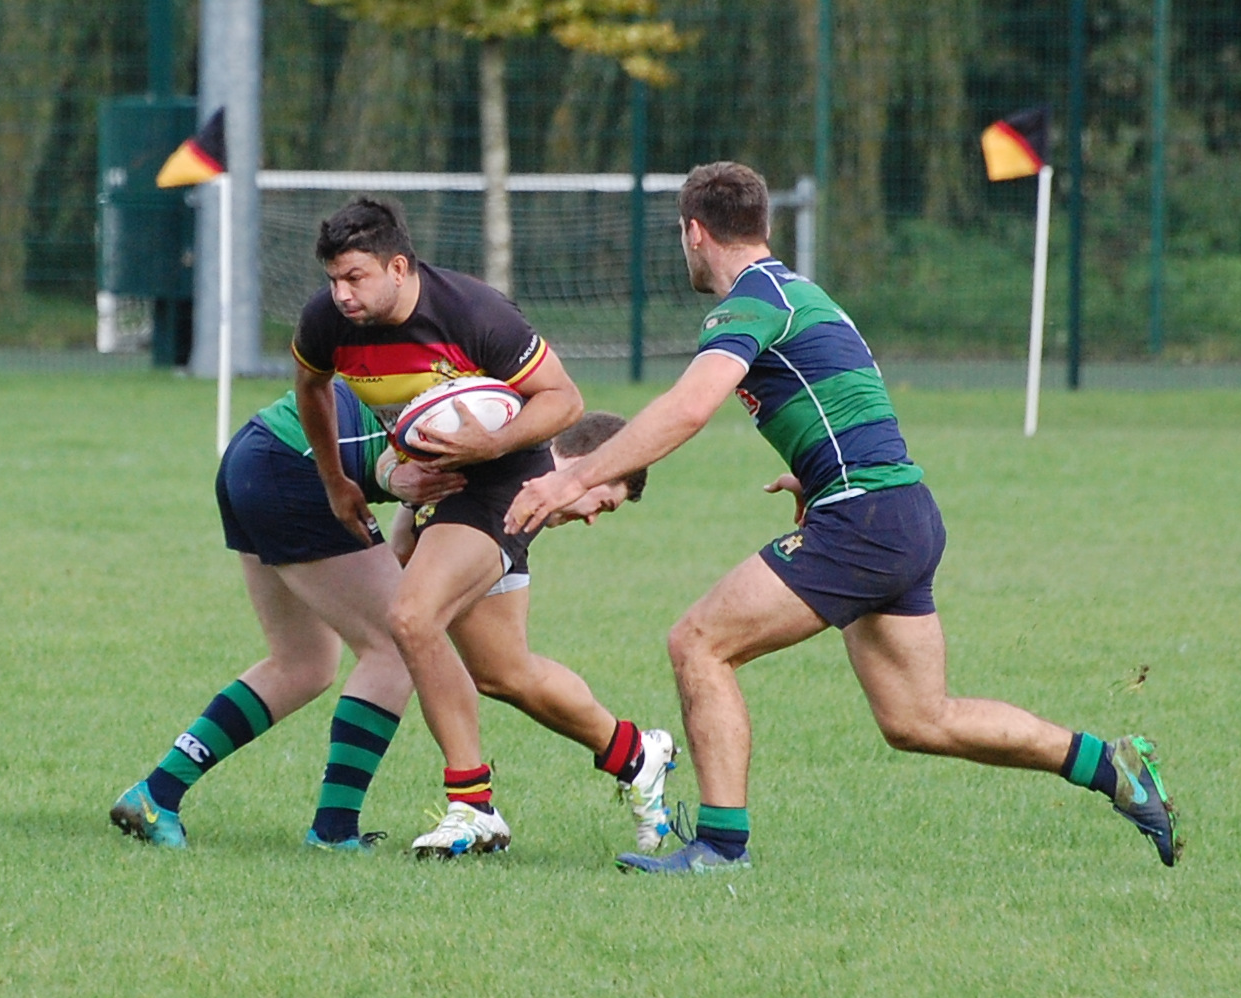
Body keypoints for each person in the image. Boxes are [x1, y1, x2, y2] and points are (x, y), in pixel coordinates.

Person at [506, 160, 1183, 874]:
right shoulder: (803, 293)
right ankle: (1113, 767)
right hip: (900, 511)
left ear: (693, 233)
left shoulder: (750, 303)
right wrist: (816, 471)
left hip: (863, 516)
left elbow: (688, 407)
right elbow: (847, 391)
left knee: (698, 642)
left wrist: (574, 474)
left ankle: (720, 847)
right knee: (918, 718)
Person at [293, 198, 677, 858]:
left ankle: (472, 806)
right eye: (333, 279)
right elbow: (311, 388)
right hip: (445, 482)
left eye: (355, 277)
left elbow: (565, 400)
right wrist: (336, 481)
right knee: (504, 671)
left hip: (504, 479)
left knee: (412, 616)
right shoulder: (328, 321)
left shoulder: (472, 313)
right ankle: (637, 754)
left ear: (398, 267)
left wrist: (489, 444)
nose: (341, 294)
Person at [109, 383, 460, 851]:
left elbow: (403, 538)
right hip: (296, 467)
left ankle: (156, 795)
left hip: (256, 452)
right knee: (396, 646)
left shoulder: (469, 389)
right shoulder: (494, 425)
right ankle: (334, 832)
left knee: (303, 663)